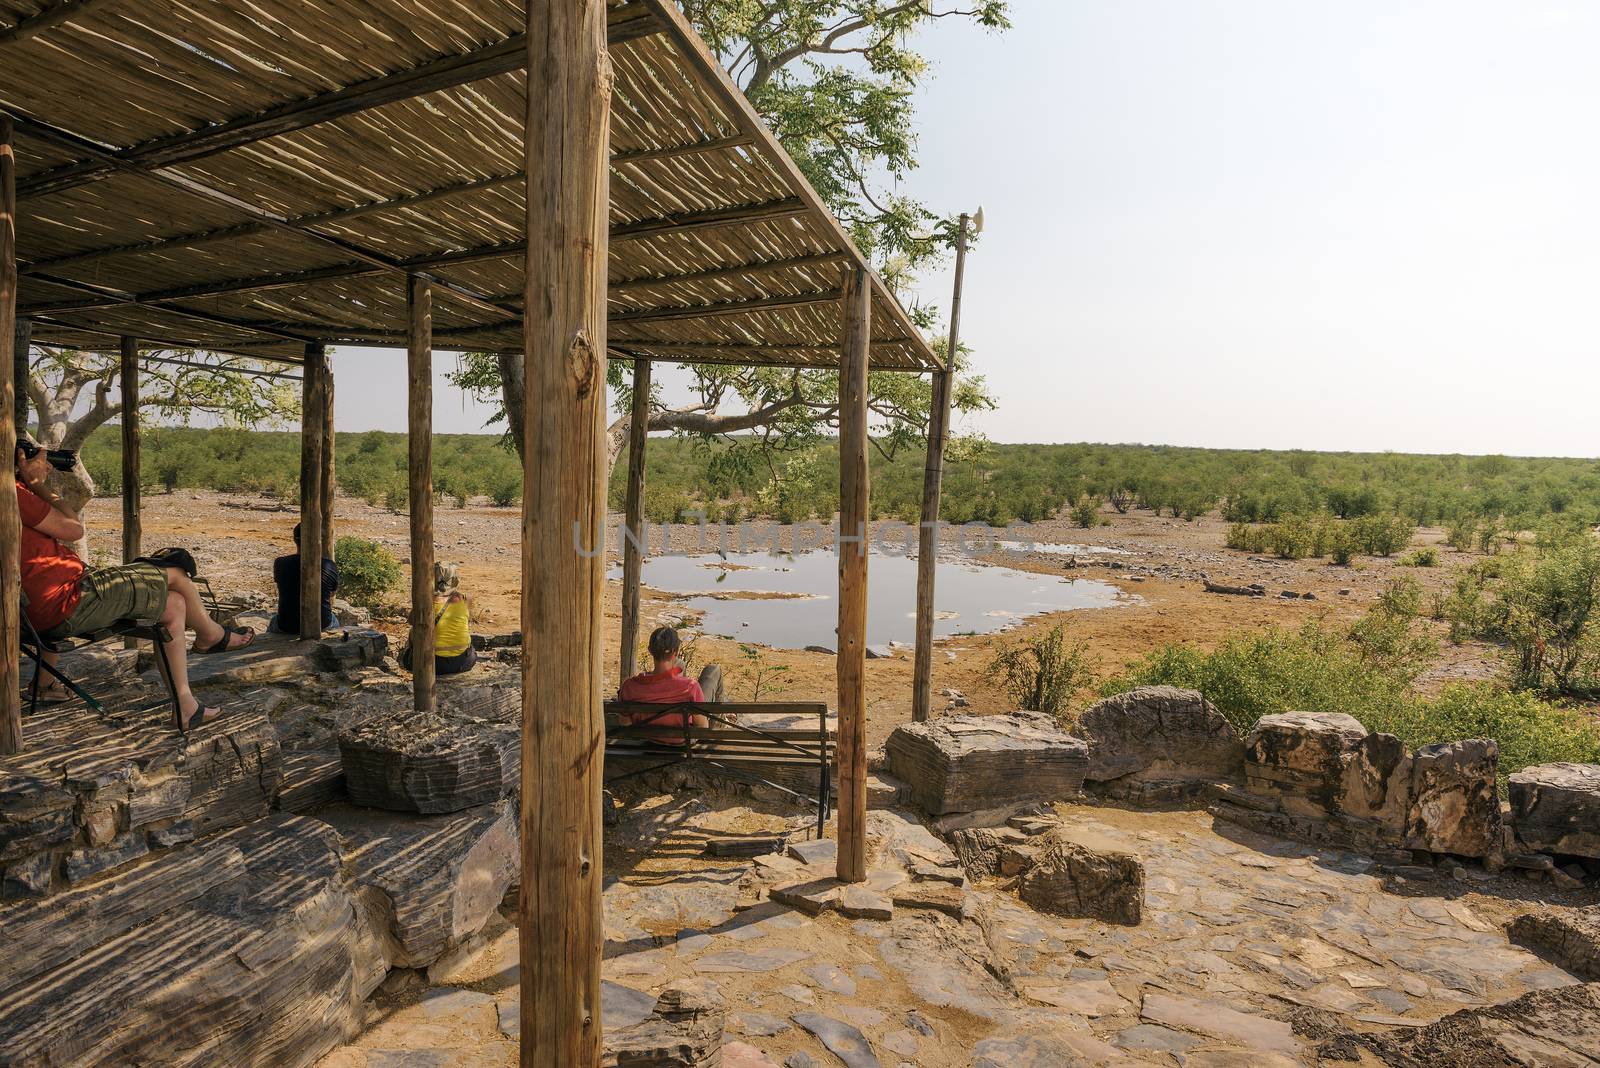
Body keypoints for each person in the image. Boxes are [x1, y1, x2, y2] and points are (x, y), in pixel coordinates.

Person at [15, 436, 253, 730]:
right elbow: (74, 529)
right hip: (67, 602)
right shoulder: (11, 494)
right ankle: (211, 636)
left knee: (174, 605)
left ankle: (185, 705)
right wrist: (37, 482)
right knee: (175, 572)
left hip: (33, 611)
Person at [616, 626, 724, 741]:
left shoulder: (629, 687)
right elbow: (702, 727)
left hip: (645, 742)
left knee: (679, 664)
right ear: (676, 651)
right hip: (682, 744)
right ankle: (717, 731)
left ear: (650, 650)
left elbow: (625, 724)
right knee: (713, 670)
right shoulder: (690, 687)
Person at [399, 562, 477, 677]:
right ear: (454, 579)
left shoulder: (425, 602)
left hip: (431, 664)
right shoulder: (466, 599)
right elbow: (467, 619)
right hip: (463, 662)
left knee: (413, 632)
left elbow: (411, 621)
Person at [269, 523, 338, 634]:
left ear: (295, 540)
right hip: (321, 624)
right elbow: (332, 594)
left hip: (286, 625)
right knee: (333, 619)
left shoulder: (280, 563)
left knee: (273, 620)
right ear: (319, 541)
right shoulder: (329, 565)